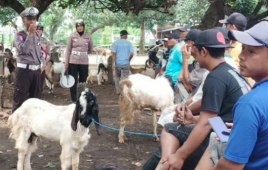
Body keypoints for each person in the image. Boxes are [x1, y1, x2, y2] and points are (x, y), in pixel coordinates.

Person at [154, 29, 250, 170]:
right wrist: (192, 119)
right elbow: (221, 116)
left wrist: (180, 155)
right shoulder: (231, 72)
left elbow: (206, 124)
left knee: (169, 129)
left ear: (204, 51)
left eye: (195, 52)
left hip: (224, 135)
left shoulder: (215, 77)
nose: (195, 58)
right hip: (232, 130)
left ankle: (168, 163)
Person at [195, 21, 268, 170]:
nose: (241, 56)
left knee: (215, 141)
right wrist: (245, 128)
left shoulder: (249, 103)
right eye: (243, 49)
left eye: (251, 52)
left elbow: (230, 166)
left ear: (203, 51)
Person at [12, 7, 46, 111]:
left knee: (35, 99)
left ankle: (32, 125)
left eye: (34, 19)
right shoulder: (20, 35)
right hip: (24, 71)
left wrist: (43, 62)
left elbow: (39, 51)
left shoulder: (37, 35)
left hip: (36, 71)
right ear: (24, 20)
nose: (32, 21)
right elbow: (24, 50)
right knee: (20, 98)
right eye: (29, 19)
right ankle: (16, 125)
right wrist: (30, 34)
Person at [65, 19, 93, 102]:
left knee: (83, 81)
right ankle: (74, 100)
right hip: (73, 61)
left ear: (83, 27)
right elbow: (68, 49)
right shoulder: (72, 36)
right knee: (73, 80)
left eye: (81, 26)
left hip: (84, 62)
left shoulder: (88, 36)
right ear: (76, 27)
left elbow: (91, 49)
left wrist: (83, 53)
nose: (80, 28)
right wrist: (66, 62)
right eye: (78, 26)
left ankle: (81, 98)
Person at [111, 30, 134, 95]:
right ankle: (125, 90)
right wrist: (129, 59)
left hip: (118, 63)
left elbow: (113, 54)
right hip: (126, 63)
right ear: (125, 35)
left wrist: (113, 63)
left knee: (117, 77)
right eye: (126, 35)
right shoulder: (129, 43)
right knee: (126, 77)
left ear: (120, 35)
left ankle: (118, 91)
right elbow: (132, 54)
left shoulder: (115, 43)